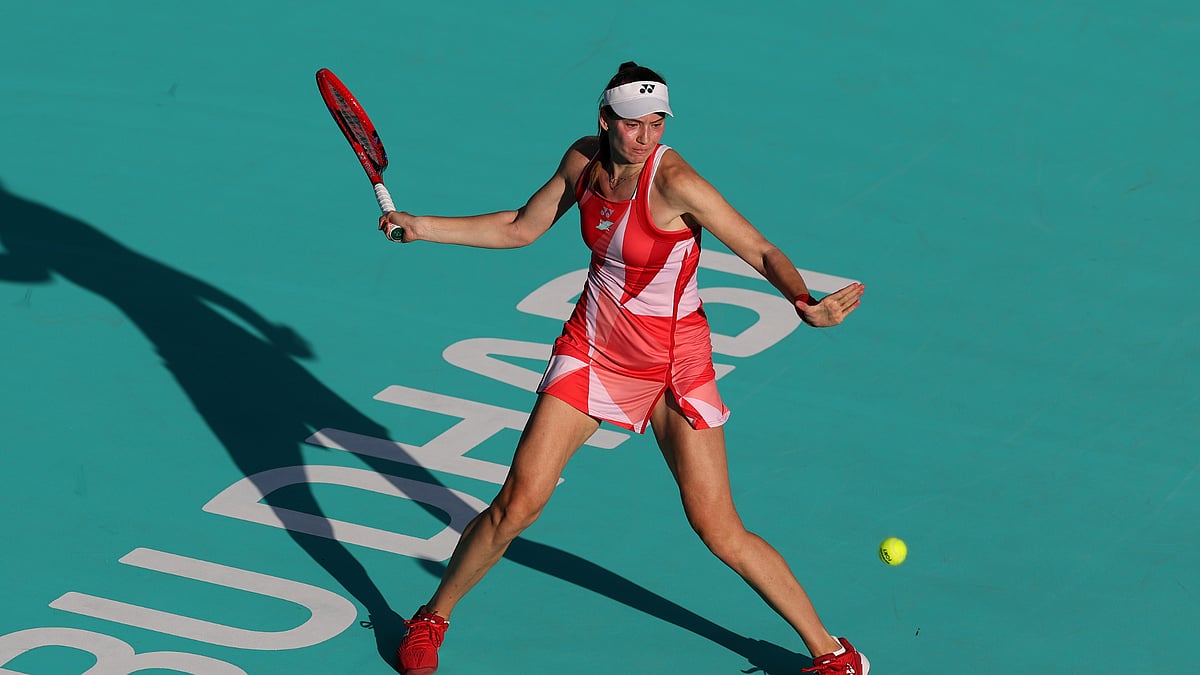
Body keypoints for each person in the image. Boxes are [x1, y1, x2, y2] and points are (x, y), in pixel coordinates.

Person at [378, 61, 869, 675]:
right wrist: (422, 227)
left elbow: (760, 248)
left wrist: (803, 301)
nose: (646, 136)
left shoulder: (677, 182)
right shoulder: (582, 162)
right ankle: (431, 617)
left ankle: (834, 654)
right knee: (518, 503)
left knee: (718, 528)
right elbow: (520, 228)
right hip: (594, 350)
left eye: (657, 123)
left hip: (673, 365)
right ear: (605, 121)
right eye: (635, 124)